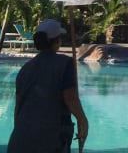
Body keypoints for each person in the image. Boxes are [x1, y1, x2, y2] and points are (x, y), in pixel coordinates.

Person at [6, 19, 88, 153]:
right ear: (57, 41)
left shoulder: (25, 69)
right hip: (49, 141)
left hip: (19, 140)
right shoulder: (64, 64)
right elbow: (70, 98)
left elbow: (18, 108)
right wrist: (83, 122)